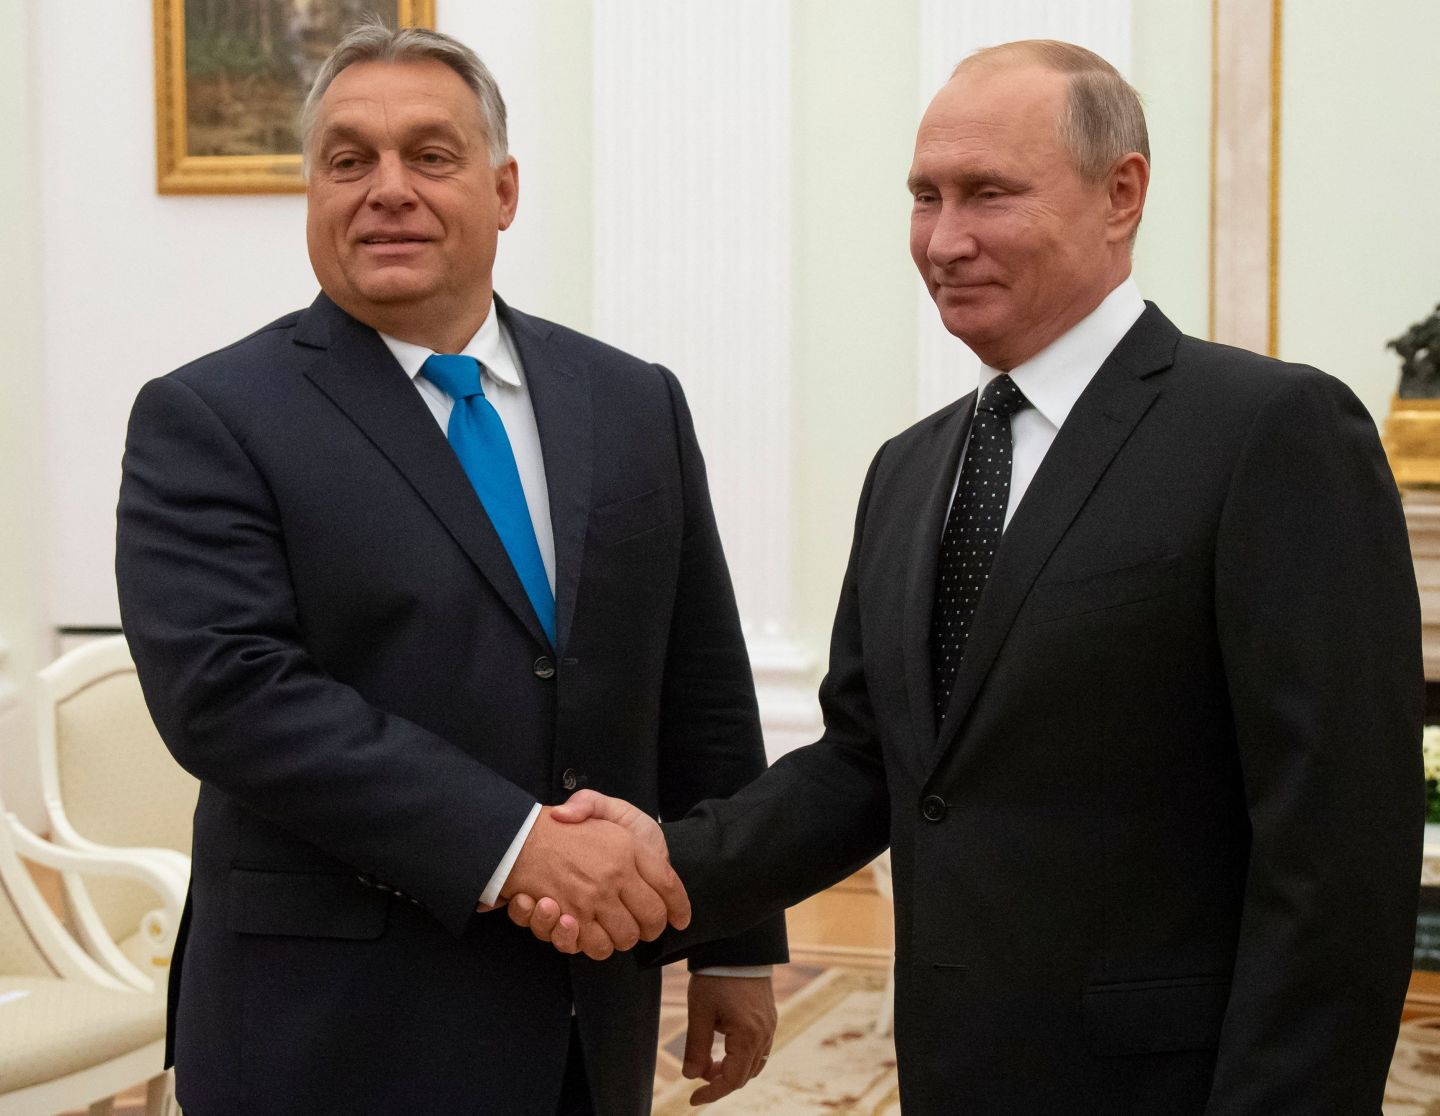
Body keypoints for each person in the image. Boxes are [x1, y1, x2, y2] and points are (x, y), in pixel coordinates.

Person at [512, 39, 1424, 1114]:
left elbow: (1338, 849)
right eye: (924, 197)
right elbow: (867, 766)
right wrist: (670, 858)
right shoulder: (910, 468)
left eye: (989, 194)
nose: (945, 240)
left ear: (1121, 193)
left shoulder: (1269, 432)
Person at [115, 20, 783, 1116]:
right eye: (349, 160)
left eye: (430, 155)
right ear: (313, 193)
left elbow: (697, 675)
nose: (388, 189)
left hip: (581, 1017)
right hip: (328, 1024)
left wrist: (738, 941)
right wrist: (516, 848)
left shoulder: (632, 402)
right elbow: (229, 695)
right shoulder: (210, 418)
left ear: (504, 188)